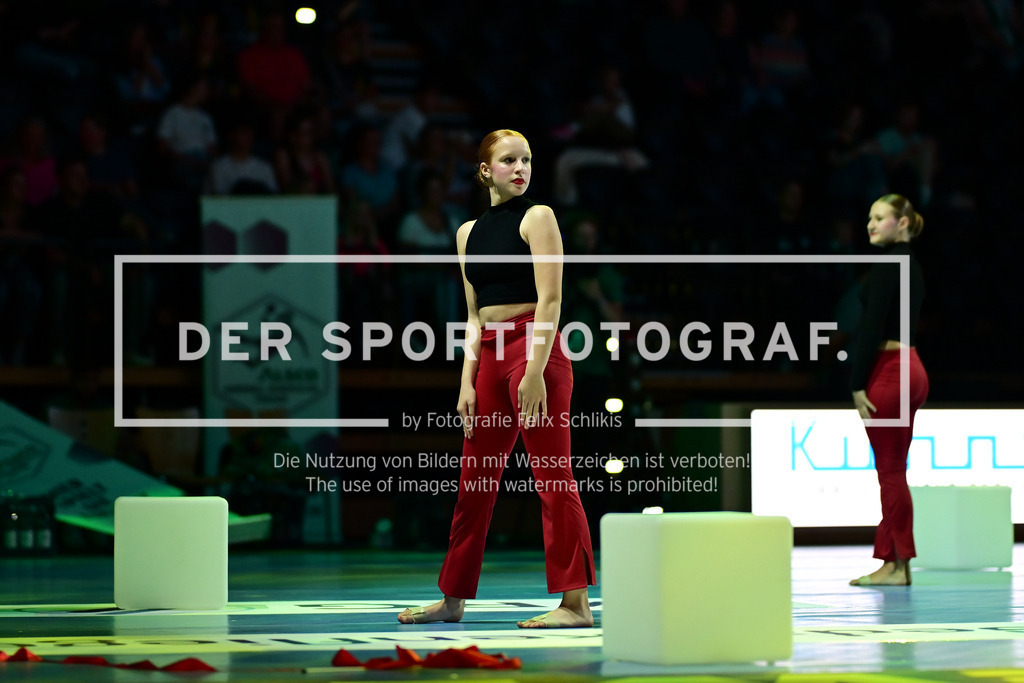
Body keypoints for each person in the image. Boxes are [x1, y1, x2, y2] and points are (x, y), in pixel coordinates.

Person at [397, 129, 595, 628]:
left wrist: (534, 369)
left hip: (536, 349)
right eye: (509, 160)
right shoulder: (466, 233)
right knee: (474, 484)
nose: (520, 168)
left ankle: (575, 604)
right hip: (488, 356)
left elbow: (551, 299)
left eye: (526, 159)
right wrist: (467, 381)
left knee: (553, 477)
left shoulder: (538, 217)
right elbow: (473, 315)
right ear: (485, 170)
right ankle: (453, 599)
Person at [848, 193, 929, 587]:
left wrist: (854, 383)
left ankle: (897, 565)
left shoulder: (887, 265)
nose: (871, 224)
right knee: (894, 471)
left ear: (902, 222)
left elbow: (871, 327)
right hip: (912, 367)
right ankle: (892, 562)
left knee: (891, 472)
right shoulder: (912, 264)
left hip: (890, 371)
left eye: (879, 217)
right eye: (870, 217)